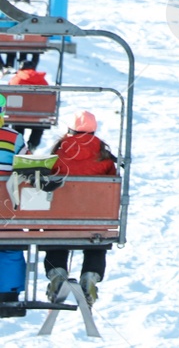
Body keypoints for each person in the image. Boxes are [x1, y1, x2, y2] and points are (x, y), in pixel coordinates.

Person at [42, 111, 117, 306]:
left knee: (56, 236)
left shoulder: (57, 154)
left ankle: (57, 272)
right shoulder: (105, 157)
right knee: (96, 241)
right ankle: (90, 275)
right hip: (94, 219)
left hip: (59, 219)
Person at [0, 109, 23, 318]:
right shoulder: (13, 138)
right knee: (10, 248)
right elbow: (28, 166)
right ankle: (8, 295)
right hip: (7, 215)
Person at [5, 62, 47, 151]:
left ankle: (18, 147)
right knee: (38, 126)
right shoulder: (42, 80)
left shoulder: (16, 79)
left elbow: (9, 98)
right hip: (38, 115)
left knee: (18, 123)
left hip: (18, 115)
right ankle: (32, 147)